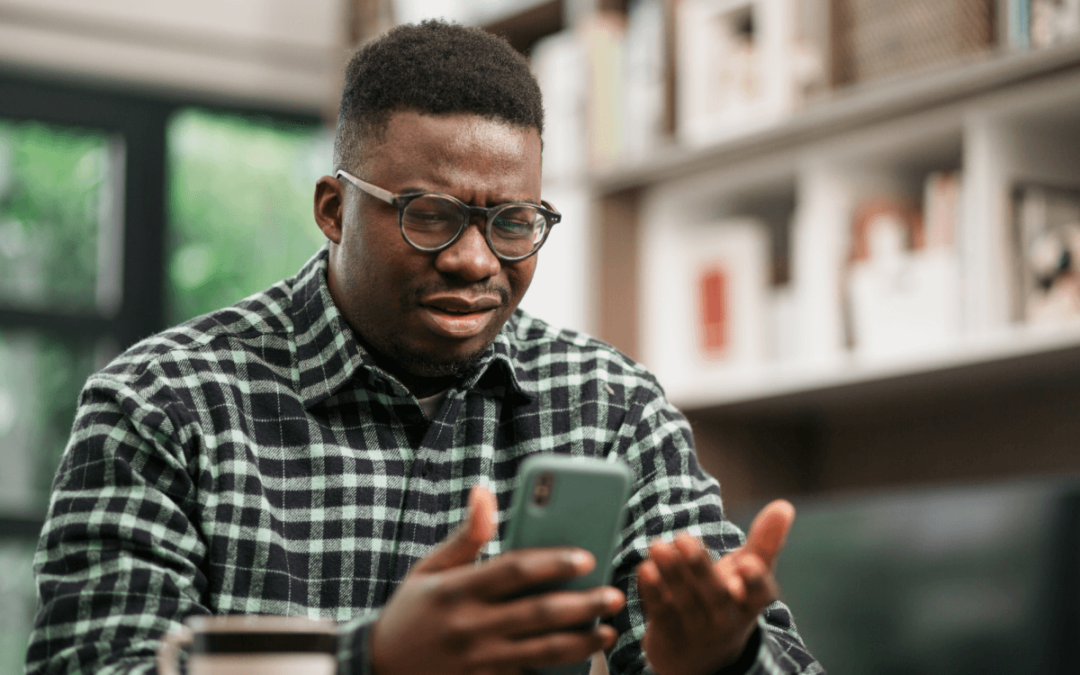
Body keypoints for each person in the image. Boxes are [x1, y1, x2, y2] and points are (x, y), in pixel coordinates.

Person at [27, 20, 821, 675]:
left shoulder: (610, 407)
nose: (476, 261)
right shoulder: (161, 405)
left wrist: (723, 659)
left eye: (513, 223)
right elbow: (95, 663)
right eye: (430, 214)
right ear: (334, 209)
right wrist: (366, 660)